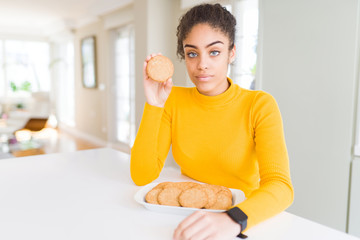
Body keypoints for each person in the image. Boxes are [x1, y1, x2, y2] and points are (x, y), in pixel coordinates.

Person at [131, 3, 294, 240]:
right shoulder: (172, 99)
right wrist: (154, 105)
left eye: (214, 52)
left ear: (232, 52)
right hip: (183, 217)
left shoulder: (259, 105)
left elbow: (281, 186)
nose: (202, 64)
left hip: (241, 219)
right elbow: (141, 176)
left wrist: (232, 219)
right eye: (192, 53)